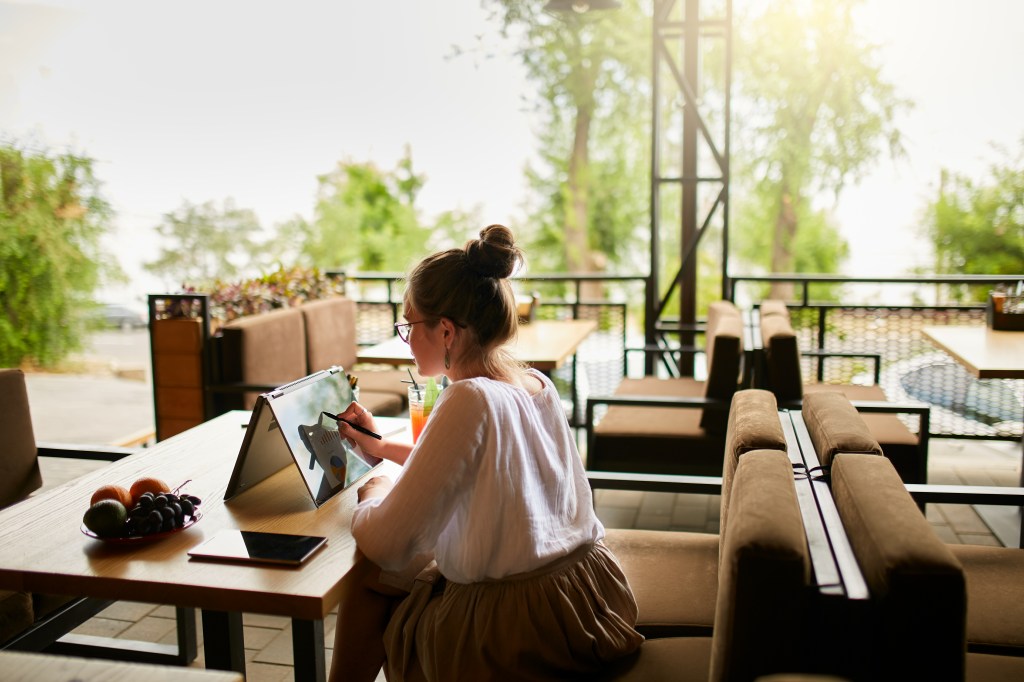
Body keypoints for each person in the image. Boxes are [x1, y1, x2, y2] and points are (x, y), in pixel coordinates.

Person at [328, 225, 643, 682]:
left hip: (517, 629)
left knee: (373, 572)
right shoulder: (534, 385)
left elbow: (387, 541)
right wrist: (377, 446)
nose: (406, 337)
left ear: (447, 331)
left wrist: (373, 491)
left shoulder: (468, 398)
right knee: (402, 569)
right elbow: (471, 464)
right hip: (585, 596)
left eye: (409, 325)